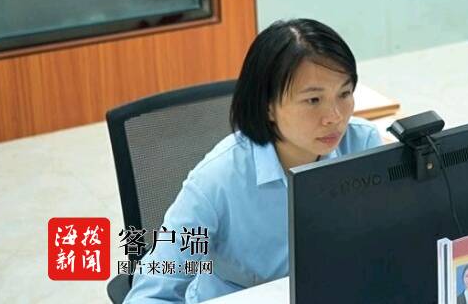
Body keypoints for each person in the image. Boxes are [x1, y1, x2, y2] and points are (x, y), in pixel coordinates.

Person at [124, 19, 382, 303]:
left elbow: (382, 245)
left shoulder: (362, 145)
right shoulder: (216, 180)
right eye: (313, 100)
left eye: (344, 94)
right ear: (268, 106)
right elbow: (150, 294)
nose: (335, 116)